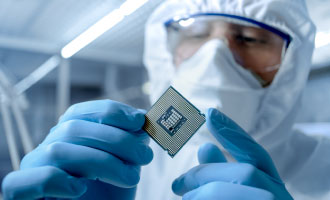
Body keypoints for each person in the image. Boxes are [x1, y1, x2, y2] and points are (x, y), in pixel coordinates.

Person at [1, 0, 328, 200]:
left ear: (291, 64)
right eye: (196, 33)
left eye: (250, 39)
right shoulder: (123, 162)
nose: (213, 58)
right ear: (165, 51)